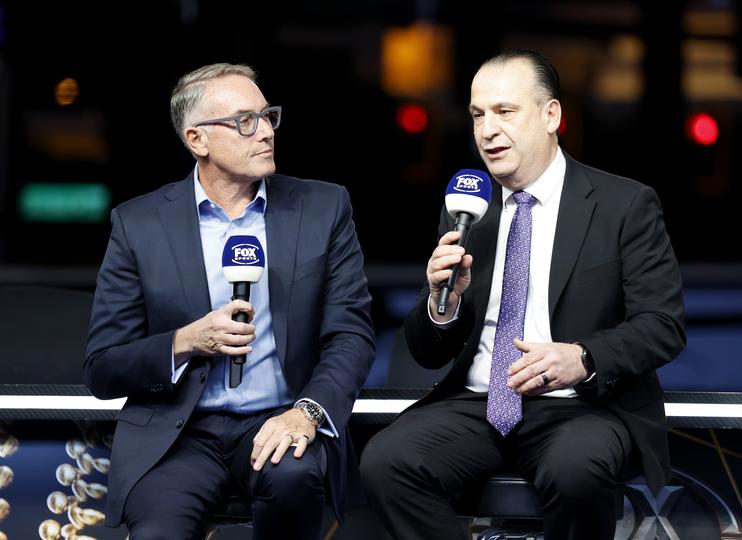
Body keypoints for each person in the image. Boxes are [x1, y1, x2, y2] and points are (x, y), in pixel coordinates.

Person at [361, 50, 685, 540]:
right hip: (477, 402)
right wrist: (440, 304)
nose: (487, 130)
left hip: (580, 407)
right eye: (477, 115)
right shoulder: (466, 211)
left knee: (577, 469)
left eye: (505, 112)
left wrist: (582, 357)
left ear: (551, 115)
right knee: (387, 461)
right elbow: (428, 352)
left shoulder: (624, 204)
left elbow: (663, 325)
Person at [84, 63, 375, 540]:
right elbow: (103, 366)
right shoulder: (138, 225)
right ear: (197, 139)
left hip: (279, 418)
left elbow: (352, 336)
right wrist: (183, 342)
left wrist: (306, 413)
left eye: (267, 116)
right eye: (245, 121)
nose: (265, 132)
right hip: (179, 435)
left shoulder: (323, 208)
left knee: (293, 477)